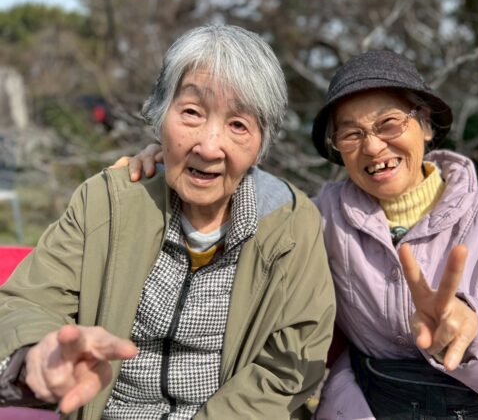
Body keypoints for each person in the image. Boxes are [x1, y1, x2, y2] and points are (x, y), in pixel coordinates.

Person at [119, 50, 478, 419]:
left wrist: (474, 331)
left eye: (390, 123)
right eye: (350, 134)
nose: (373, 146)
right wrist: (170, 164)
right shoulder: (321, 219)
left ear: (427, 125)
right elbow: (236, 197)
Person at [0, 24, 335, 420]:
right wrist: (37, 352)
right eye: (192, 112)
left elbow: (288, 367)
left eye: (238, 125)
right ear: (160, 116)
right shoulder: (107, 202)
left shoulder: (291, 225)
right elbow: (31, 300)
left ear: (261, 145)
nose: (209, 146)